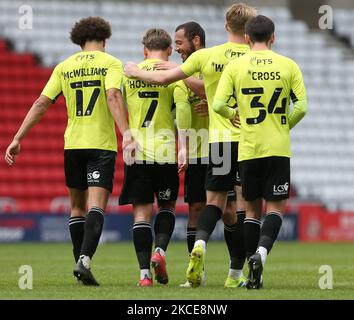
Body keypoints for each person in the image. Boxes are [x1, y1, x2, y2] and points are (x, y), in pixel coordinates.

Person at [124, 3, 257, 288]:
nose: (179, 48)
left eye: (181, 43)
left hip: (215, 144)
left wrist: (135, 71)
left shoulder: (209, 57)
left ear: (225, 27)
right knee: (239, 209)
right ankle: (238, 271)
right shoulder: (256, 58)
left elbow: (167, 81)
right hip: (242, 144)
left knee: (212, 205)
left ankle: (206, 253)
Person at [4, 17, 134, 286]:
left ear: (79, 40)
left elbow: (41, 102)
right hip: (99, 146)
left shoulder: (64, 67)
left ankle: (81, 265)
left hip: (72, 145)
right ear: (105, 40)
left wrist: (17, 138)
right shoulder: (110, 63)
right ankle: (84, 260)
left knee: (76, 207)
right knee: (96, 205)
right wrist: (127, 132)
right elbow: (112, 96)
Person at [213, 15, 307, 289]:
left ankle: (255, 273)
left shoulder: (235, 66)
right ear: (273, 37)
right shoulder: (288, 65)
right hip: (278, 147)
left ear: (246, 38)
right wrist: (282, 125)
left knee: (251, 212)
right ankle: (261, 256)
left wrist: (232, 115)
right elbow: (301, 107)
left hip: (249, 149)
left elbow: (218, 104)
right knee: (276, 208)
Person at [119, 28, 190, 287]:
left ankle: (144, 275)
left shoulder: (129, 74)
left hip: (136, 152)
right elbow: (182, 114)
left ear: (145, 50)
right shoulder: (175, 77)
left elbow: (116, 102)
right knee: (167, 207)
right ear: (170, 50)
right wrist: (183, 147)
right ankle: (159, 252)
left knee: (141, 214)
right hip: (165, 151)